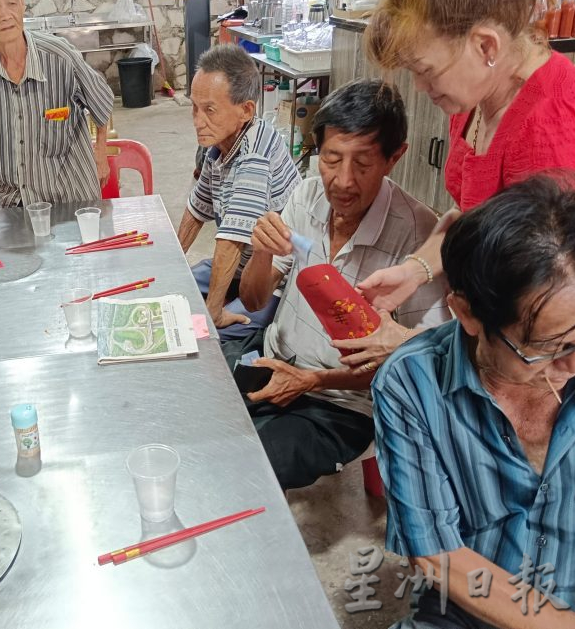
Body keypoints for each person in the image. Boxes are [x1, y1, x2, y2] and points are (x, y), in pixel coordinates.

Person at [342, 0, 575, 367]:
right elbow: (472, 215)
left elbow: (547, 318)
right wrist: (415, 270)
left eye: (426, 71)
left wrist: (415, 343)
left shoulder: (550, 131)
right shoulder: (476, 98)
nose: (420, 87)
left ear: (486, 47)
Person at [372, 176, 575, 627]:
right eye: (548, 348)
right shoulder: (413, 383)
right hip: (466, 615)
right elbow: (435, 555)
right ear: (465, 312)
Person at [235, 80, 451, 489]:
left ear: (394, 157)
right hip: (274, 360)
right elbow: (253, 298)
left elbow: (417, 364)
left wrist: (314, 381)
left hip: (339, 404)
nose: (344, 181)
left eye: (363, 164)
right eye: (332, 159)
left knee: (251, 471)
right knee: (206, 427)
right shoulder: (307, 195)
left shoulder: (418, 239)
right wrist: (261, 253)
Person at [0, 0, 115, 208]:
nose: (6, 16)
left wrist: (101, 152)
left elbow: (102, 102)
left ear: (22, 0)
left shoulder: (61, 56)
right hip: (17, 201)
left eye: (11, 3)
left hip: (71, 196)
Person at [177, 44, 300, 338]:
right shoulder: (219, 146)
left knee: (211, 337)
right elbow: (196, 212)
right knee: (176, 289)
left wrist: (215, 312)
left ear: (246, 110)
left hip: (271, 279)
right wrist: (171, 266)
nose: (197, 121)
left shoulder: (254, 159)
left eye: (209, 110)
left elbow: (231, 242)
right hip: (239, 267)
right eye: (194, 107)